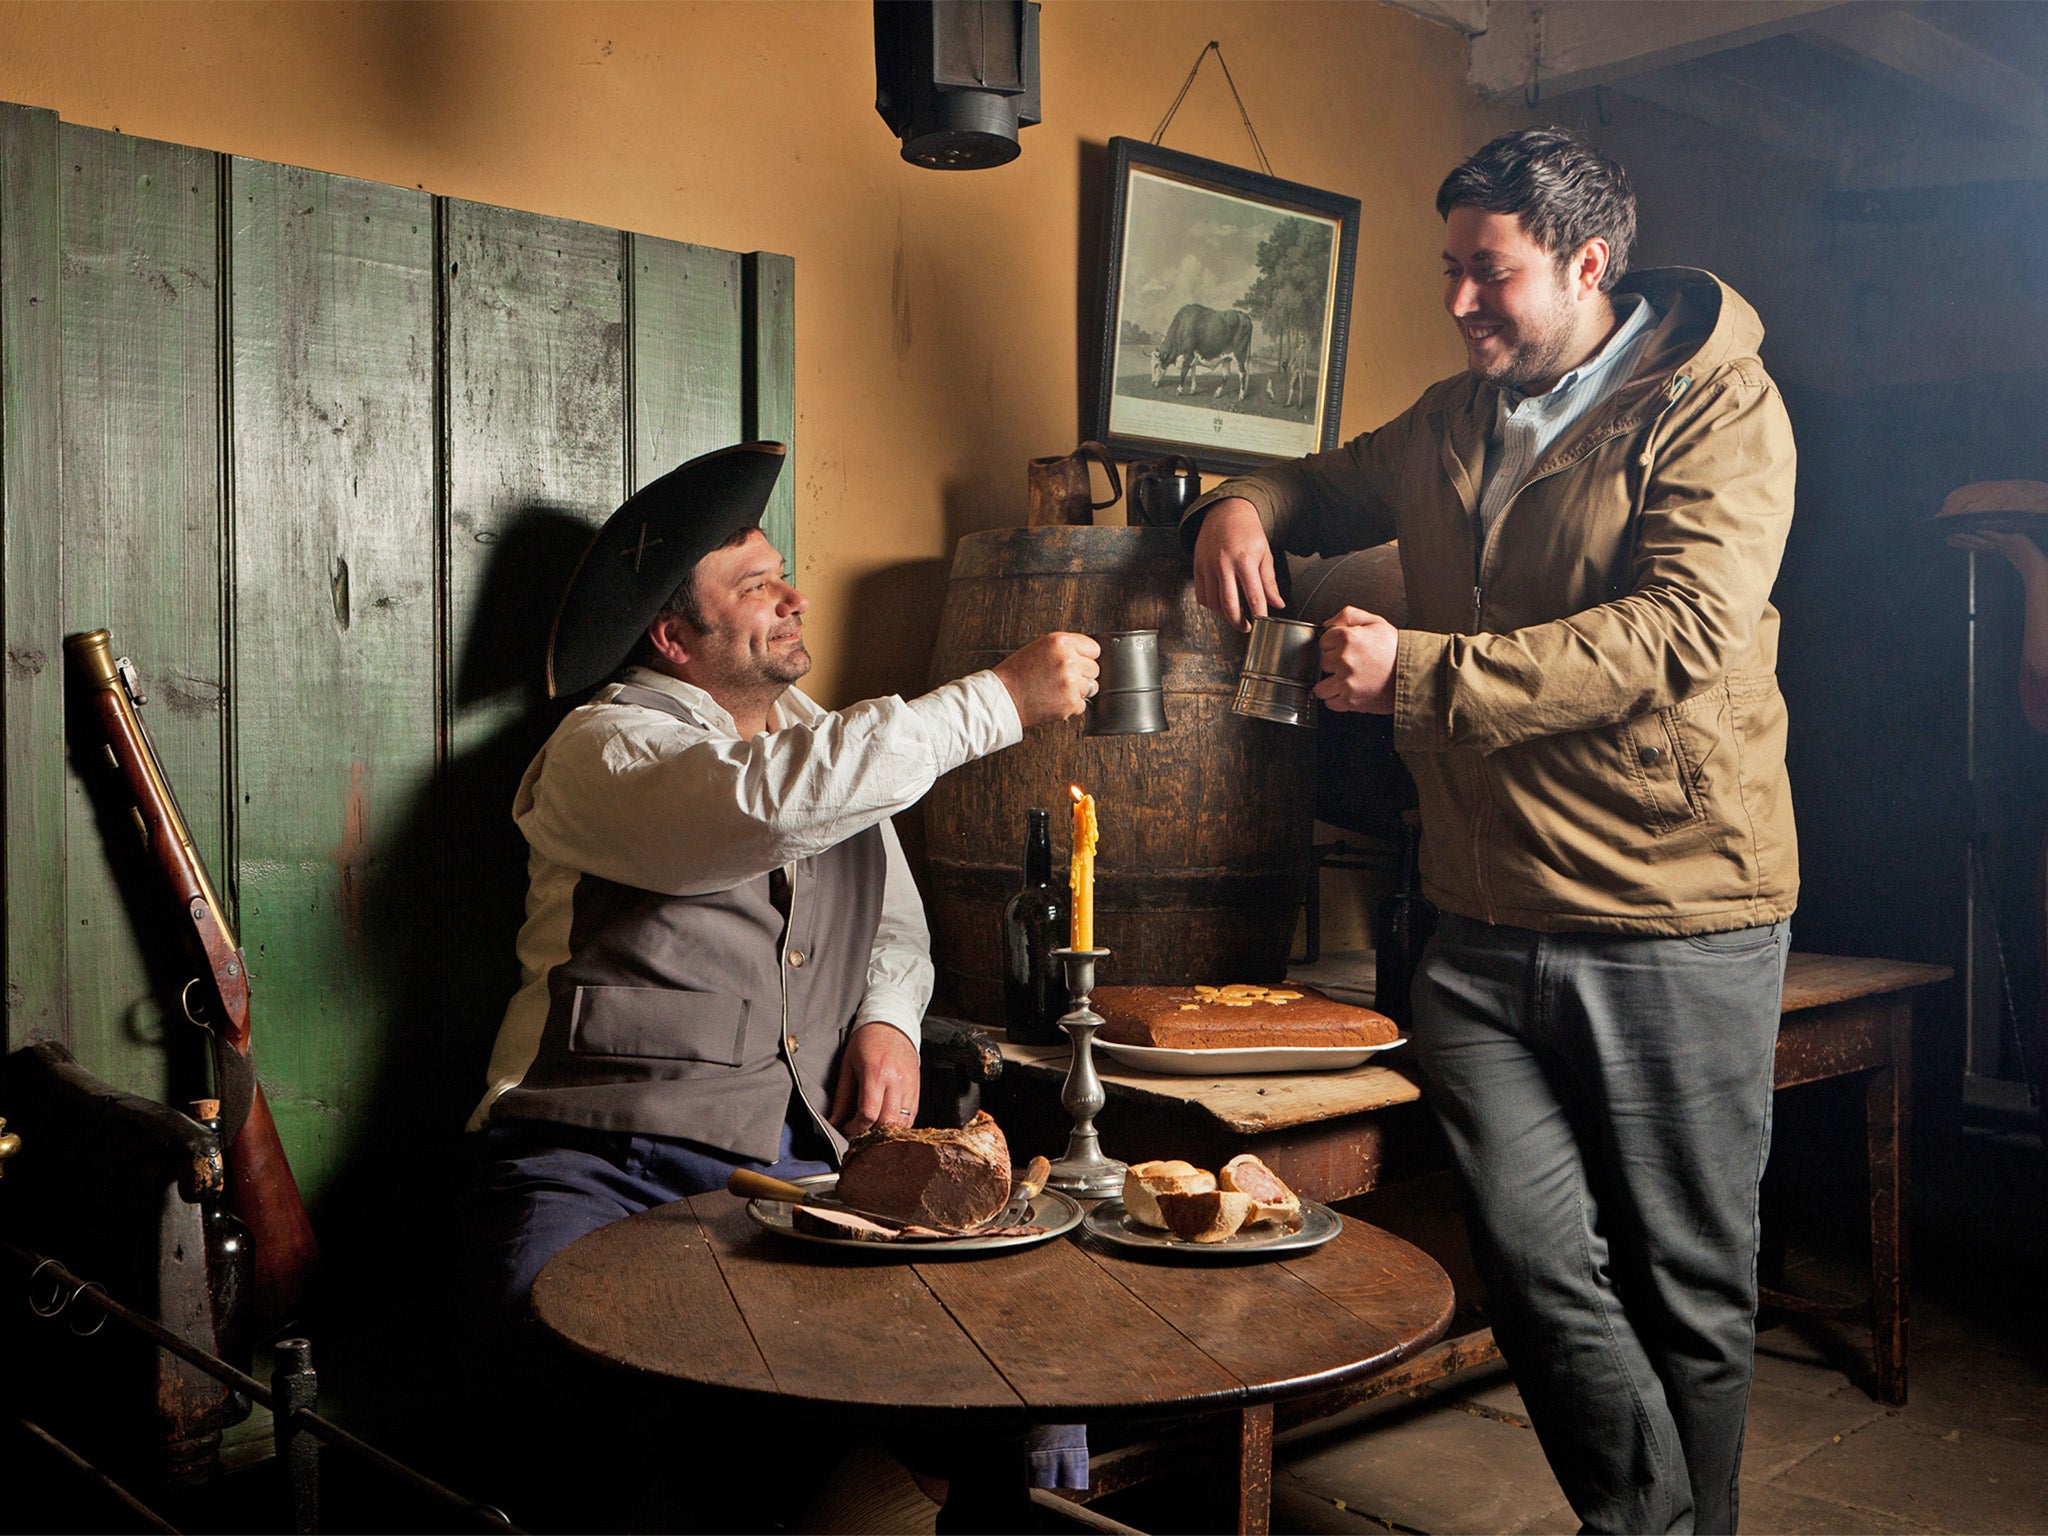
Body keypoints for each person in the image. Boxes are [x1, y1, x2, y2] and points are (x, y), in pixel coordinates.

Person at [1188, 127, 1797, 1534]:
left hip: (1673, 909)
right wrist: (1239, 503)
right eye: (1450, 268)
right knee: (1528, 1264)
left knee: (1686, 1284)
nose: (1460, 301)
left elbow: (1682, 631)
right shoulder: (1453, 417)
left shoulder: (1716, 407)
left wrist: (1421, 673)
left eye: (1491, 273)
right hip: (1476, 923)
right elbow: (1318, 482)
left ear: (1587, 265)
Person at [462, 441, 1099, 1519]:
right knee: (572, 1361)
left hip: (795, 1171)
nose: (793, 594)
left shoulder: (825, 740)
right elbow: (756, 809)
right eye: (755, 586)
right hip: (596, 1160)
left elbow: (892, 917)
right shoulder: (599, 749)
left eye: (780, 570)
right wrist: (996, 700)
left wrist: (888, 1022)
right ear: (672, 635)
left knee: (1024, 1372)